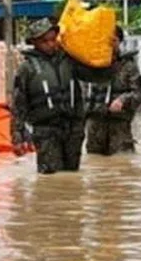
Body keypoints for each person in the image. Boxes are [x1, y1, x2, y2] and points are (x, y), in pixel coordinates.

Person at [10, 18, 88, 174]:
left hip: (73, 129)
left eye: (53, 39)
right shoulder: (27, 69)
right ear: (35, 42)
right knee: (51, 178)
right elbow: (19, 105)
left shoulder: (70, 60)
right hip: (46, 131)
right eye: (45, 41)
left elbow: (96, 74)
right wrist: (17, 137)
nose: (51, 44)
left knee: (72, 177)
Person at [84, 26, 141, 156]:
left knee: (123, 167)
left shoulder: (129, 66)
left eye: (113, 40)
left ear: (119, 42)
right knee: (95, 167)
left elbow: (139, 94)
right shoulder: (88, 64)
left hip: (119, 129)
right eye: (105, 40)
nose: (109, 44)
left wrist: (123, 100)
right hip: (94, 128)